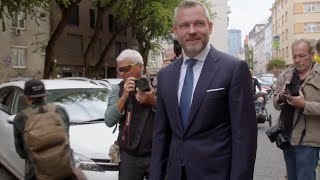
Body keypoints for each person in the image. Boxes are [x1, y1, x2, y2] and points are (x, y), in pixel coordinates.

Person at [149, 1, 257, 180]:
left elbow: (244, 138)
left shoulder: (233, 69)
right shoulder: (166, 76)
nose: (192, 31)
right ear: (175, 31)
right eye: (184, 25)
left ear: (210, 27)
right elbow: (161, 135)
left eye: (199, 23)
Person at [105, 49, 156, 180]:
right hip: (129, 156)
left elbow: (172, 115)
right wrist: (124, 96)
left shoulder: (156, 85)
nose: (122, 74)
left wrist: (153, 100)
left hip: (155, 153)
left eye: (125, 69)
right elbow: (109, 121)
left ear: (140, 66)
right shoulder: (118, 89)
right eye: (119, 70)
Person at [273, 39, 320, 180]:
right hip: (286, 137)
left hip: (309, 140)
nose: (298, 60)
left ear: (312, 54)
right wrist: (281, 97)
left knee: (305, 176)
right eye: (295, 56)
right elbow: (275, 104)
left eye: (302, 56)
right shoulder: (285, 75)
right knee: (292, 177)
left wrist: (304, 104)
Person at [13, 79, 72, 180]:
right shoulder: (59, 111)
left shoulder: (20, 118)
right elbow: (66, 138)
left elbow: (22, 153)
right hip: (63, 169)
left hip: (35, 173)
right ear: (45, 95)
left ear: (27, 98)